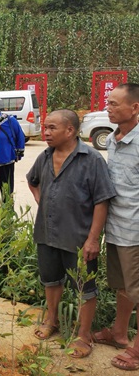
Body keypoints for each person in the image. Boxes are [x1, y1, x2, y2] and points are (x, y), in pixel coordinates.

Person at [27, 110, 115, 358]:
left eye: (52, 128)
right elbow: (32, 180)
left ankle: (83, 334)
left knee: (84, 287)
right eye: (45, 127)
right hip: (47, 233)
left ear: (70, 131)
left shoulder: (92, 159)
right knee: (50, 280)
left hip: (78, 238)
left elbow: (102, 201)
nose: (46, 132)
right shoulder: (44, 156)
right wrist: (40, 200)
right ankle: (52, 320)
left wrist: (93, 238)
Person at [92, 83, 139, 371]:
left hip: (135, 231)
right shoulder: (112, 139)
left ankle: (137, 351)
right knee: (123, 286)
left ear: (135, 108)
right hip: (116, 228)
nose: (108, 108)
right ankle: (119, 332)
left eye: (114, 104)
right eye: (107, 103)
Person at [0, 94, 26, 206]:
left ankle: (7, 219)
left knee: (7, 194)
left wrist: (18, 153)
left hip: (6, 163)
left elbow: (20, 136)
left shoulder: (9, 121)